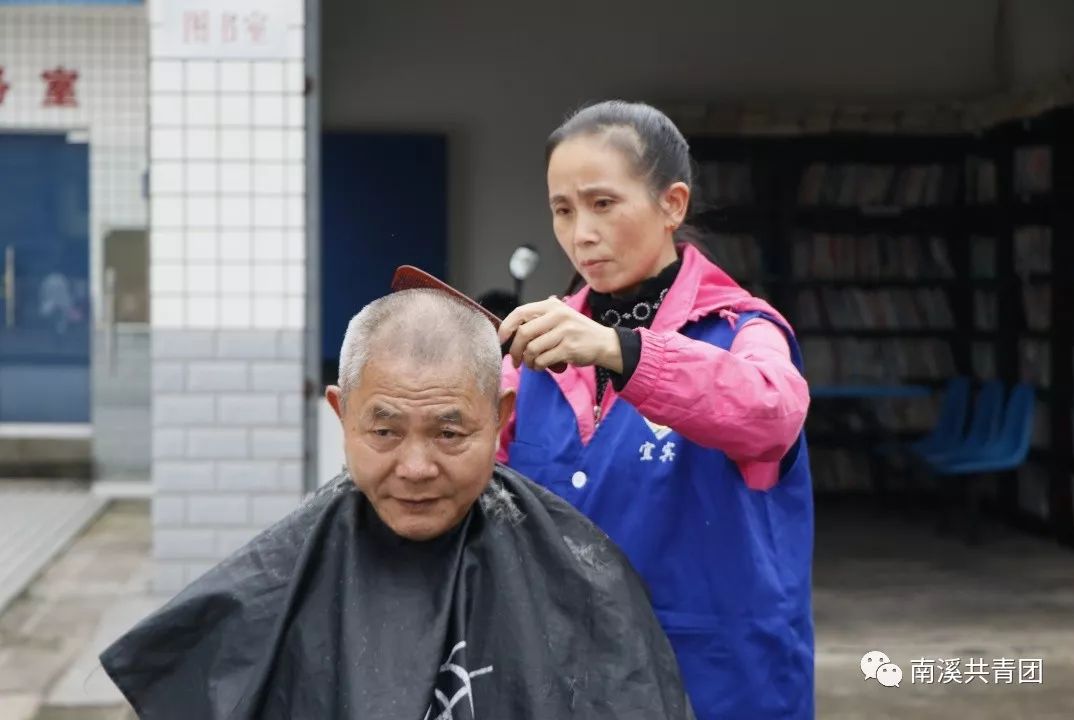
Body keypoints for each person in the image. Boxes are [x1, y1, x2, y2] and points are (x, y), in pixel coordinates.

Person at [99, 287, 695, 720]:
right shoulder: (281, 575)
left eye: (449, 432)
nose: (415, 468)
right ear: (341, 414)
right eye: (383, 432)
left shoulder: (579, 575)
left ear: (499, 420)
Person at [497, 100, 814, 720]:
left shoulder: (744, 328)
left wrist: (624, 352)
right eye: (563, 209)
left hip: (718, 680)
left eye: (603, 203)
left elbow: (772, 412)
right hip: (569, 676)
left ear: (673, 204)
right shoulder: (535, 351)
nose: (580, 232)